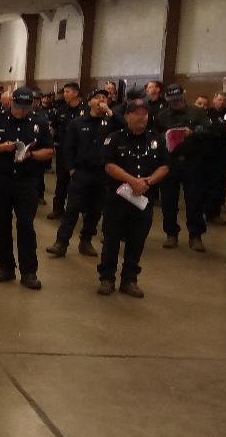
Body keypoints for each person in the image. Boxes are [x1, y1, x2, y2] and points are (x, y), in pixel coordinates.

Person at [0, 87, 55, 289]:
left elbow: (49, 151)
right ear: (11, 102)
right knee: (0, 225)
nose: (22, 111)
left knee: (26, 226)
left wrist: (32, 155)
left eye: (26, 107)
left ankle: (29, 271)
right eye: (18, 106)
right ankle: (5, 267)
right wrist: (2, 148)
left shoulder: (40, 122)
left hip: (26, 181)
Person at [97, 100, 169, 297]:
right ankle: (107, 278)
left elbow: (164, 166)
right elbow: (109, 165)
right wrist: (131, 181)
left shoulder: (157, 140)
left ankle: (129, 280)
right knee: (111, 240)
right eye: (136, 113)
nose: (141, 117)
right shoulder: (114, 138)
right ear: (127, 116)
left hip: (143, 200)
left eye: (144, 113)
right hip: (118, 198)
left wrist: (147, 181)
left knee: (137, 241)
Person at [46, 90, 112, 258]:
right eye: (98, 98)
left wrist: (110, 113)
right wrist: (71, 168)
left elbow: (125, 128)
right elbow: (68, 147)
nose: (101, 101)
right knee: (73, 208)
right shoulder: (77, 123)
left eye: (104, 98)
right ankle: (61, 243)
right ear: (89, 102)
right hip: (81, 171)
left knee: (95, 210)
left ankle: (86, 240)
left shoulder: (109, 123)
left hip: (102, 173)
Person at [154, 84, 214, 251]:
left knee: (194, 199)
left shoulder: (197, 112)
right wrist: (166, 136)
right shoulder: (162, 115)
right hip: (170, 161)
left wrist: (193, 132)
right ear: (168, 100)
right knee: (168, 200)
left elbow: (210, 131)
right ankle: (171, 233)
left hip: (193, 161)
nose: (177, 102)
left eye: (179, 99)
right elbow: (155, 136)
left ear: (183, 96)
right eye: (173, 100)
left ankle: (195, 235)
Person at [47, 82, 87, 220]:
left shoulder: (85, 110)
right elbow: (53, 129)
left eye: (68, 92)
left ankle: (78, 211)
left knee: (79, 184)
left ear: (76, 93)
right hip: (63, 152)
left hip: (80, 153)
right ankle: (58, 209)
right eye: (64, 92)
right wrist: (48, 144)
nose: (65, 94)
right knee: (61, 182)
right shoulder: (61, 109)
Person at [205, 92, 226, 225]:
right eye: (219, 99)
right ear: (214, 100)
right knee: (204, 183)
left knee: (219, 184)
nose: (221, 102)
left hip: (221, 155)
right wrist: (222, 128)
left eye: (224, 100)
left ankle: (215, 214)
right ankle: (204, 212)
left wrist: (214, 128)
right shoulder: (206, 113)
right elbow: (204, 128)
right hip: (206, 154)